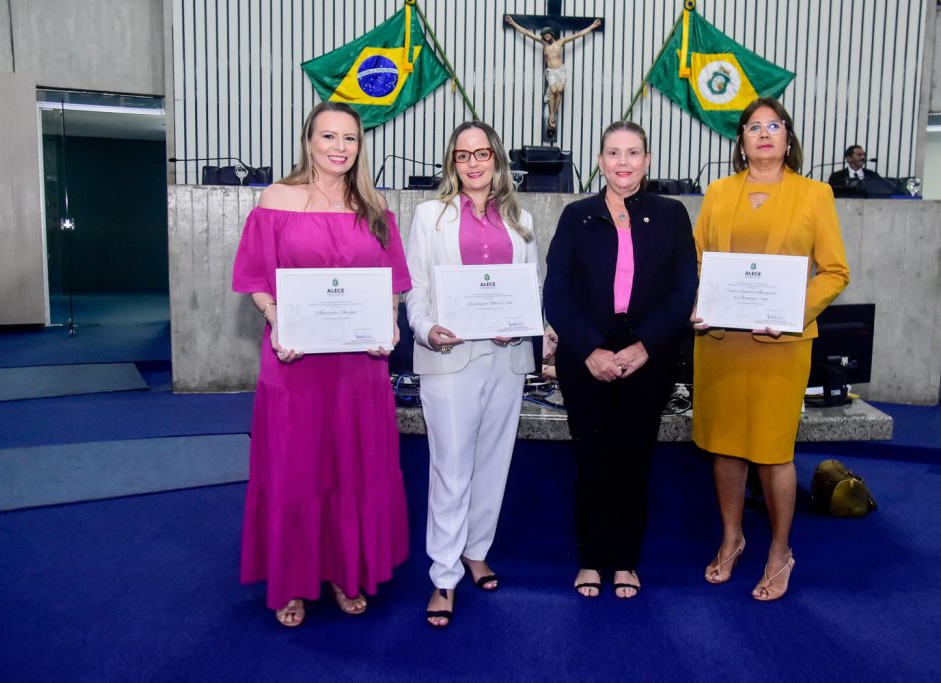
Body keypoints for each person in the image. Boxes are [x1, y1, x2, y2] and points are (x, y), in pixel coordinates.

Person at [231, 101, 411, 627]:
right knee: (294, 468)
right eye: (328, 137)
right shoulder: (276, 199)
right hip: (294, 360)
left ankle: (342, 571)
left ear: (360, 146)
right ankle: (291, 581)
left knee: (352, 468)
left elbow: (391, 283)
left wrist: (391, 324)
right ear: (309, 140)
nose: (339, 147)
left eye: (350, 139)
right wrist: (277, 318)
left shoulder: (374, 204)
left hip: (359, 365)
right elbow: (255, 280)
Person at [692, 97, 850, 601]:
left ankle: (780, 550)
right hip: (722, 342)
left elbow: (834, 271)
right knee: (726, 448)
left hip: (781, 346)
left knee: (773, 452)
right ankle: (732, 538)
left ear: (787, 138)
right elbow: (696, 261)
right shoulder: (718, 191)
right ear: (740, 140)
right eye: (753, 127)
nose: (763, 134)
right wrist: (700, 300)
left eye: (773, 126)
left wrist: (792, 314)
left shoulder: (815, 194)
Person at [543, 121, 698, 599]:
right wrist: (590, 349)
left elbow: (682, 290)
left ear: (647, 161)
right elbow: (557, 291)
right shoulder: (577, 215)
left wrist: (645, 345)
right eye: (613, 153)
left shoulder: (671, 215)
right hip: (585, 354)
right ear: (599, 161)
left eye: (633, 153)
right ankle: (591, 559)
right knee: (591, 459)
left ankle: (626, 560)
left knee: (633, 460)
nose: (623, 162)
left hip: (647, 354)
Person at [404, 122, 538, 628]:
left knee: (492, 464)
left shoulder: (521, 219)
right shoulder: (429, 216)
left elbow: (532, 286)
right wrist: (426, 327)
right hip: (450, 357)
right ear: (452, 164)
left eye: (482, 153)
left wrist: (525, 327)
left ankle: (475, 549)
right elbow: (415, 287)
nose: (474, 163)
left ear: (497, 159)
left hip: (505, 360)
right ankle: (443, 573)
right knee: (451, 468)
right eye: (463, 156)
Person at [504, 15, 602, 136]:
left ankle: (554, 111)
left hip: (561, 70)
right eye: (544, 35)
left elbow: (578, 35)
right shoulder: (544, 44)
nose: (545, 37)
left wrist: (593, 26)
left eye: (547, 34)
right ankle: (552, 115)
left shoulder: (561, 42)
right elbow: (527, 33)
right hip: (551, 71)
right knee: (554, 90)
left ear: (551, 34)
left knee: (559, 91)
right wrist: (513, 23)